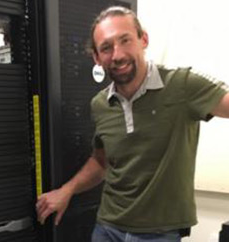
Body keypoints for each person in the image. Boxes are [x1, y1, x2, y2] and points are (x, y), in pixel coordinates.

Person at [36, 6, 229, 242]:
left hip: (159, 234)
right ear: (97, 57)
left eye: (125, 40)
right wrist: (66, 191)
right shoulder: (100, 104)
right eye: (106, 47)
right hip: (107, 228)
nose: (117, 55)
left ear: (143, 39)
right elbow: (101, 162)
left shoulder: (182, 85)